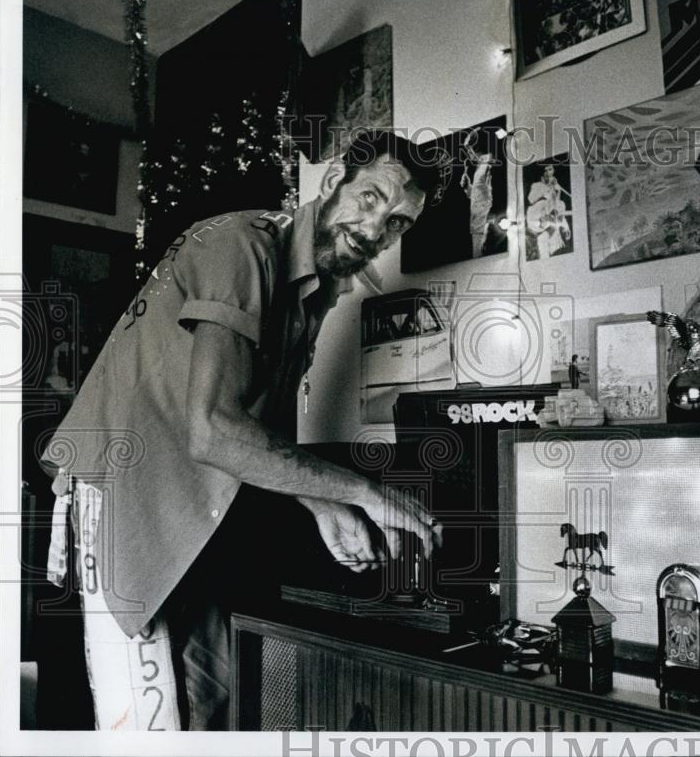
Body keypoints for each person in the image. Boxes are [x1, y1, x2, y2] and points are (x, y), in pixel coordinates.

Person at [39, 130, 442, 731]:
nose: (375, 228)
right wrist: (359, 492)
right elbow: (213, 429)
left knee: (216, 697)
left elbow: (253, 430)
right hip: (120, 488)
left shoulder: (319, 289)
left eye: (398, 222)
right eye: (370, 199)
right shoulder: (241, 244)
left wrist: (322, 502)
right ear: (332, 183)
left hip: (201, 496)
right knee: (145, 722)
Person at [525, 164, 571, 259]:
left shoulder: (554, 188)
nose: (551, 172)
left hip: (551, 225)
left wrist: (566, 228)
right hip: (538, 218)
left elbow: (558, 209)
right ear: (543, 172)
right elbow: (531, 199)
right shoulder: (537, 185)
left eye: (552, 169)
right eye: (548, 169)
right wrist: (547, 190)